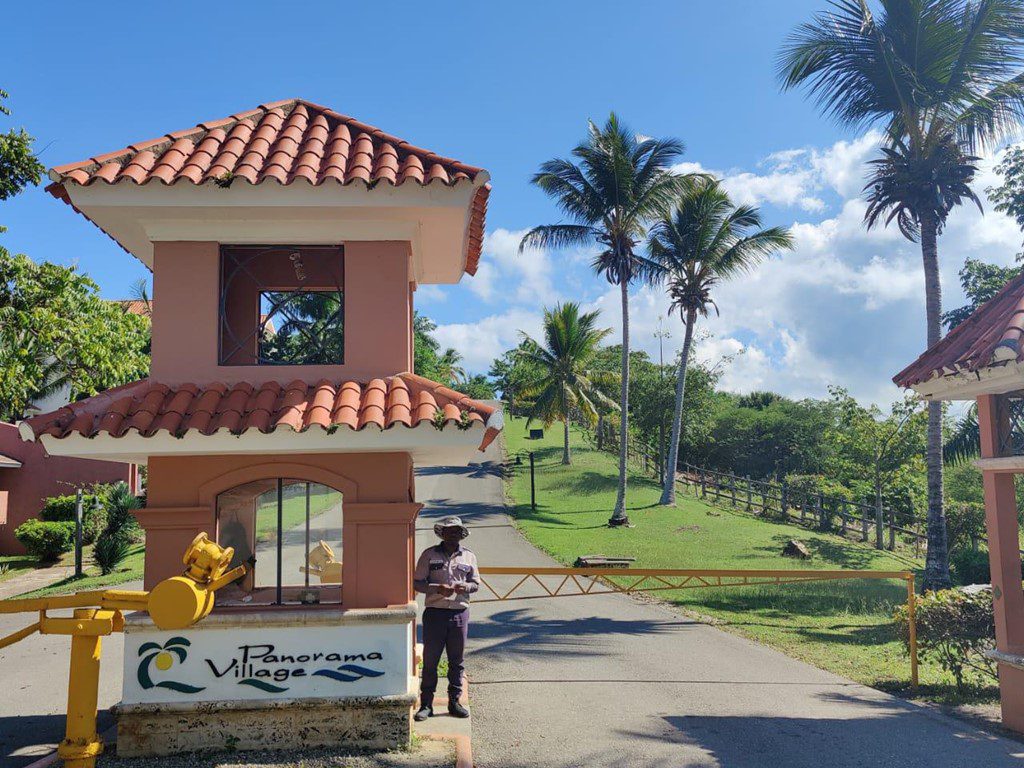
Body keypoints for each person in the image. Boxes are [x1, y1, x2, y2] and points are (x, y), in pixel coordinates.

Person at [413, 515, 479, 721]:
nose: (453, 534)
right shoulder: (429, 554)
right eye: (449, 531)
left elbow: (475, 583)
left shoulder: (469, 556)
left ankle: (454, 702)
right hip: (435, 613)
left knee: (456, 661)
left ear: (462, 534)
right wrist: (437, 588)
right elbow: (417, 582)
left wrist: (465, 586)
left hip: (459, 613)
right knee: (431, 661)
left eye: (457, 531)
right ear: (442, 533)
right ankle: (426, 704)